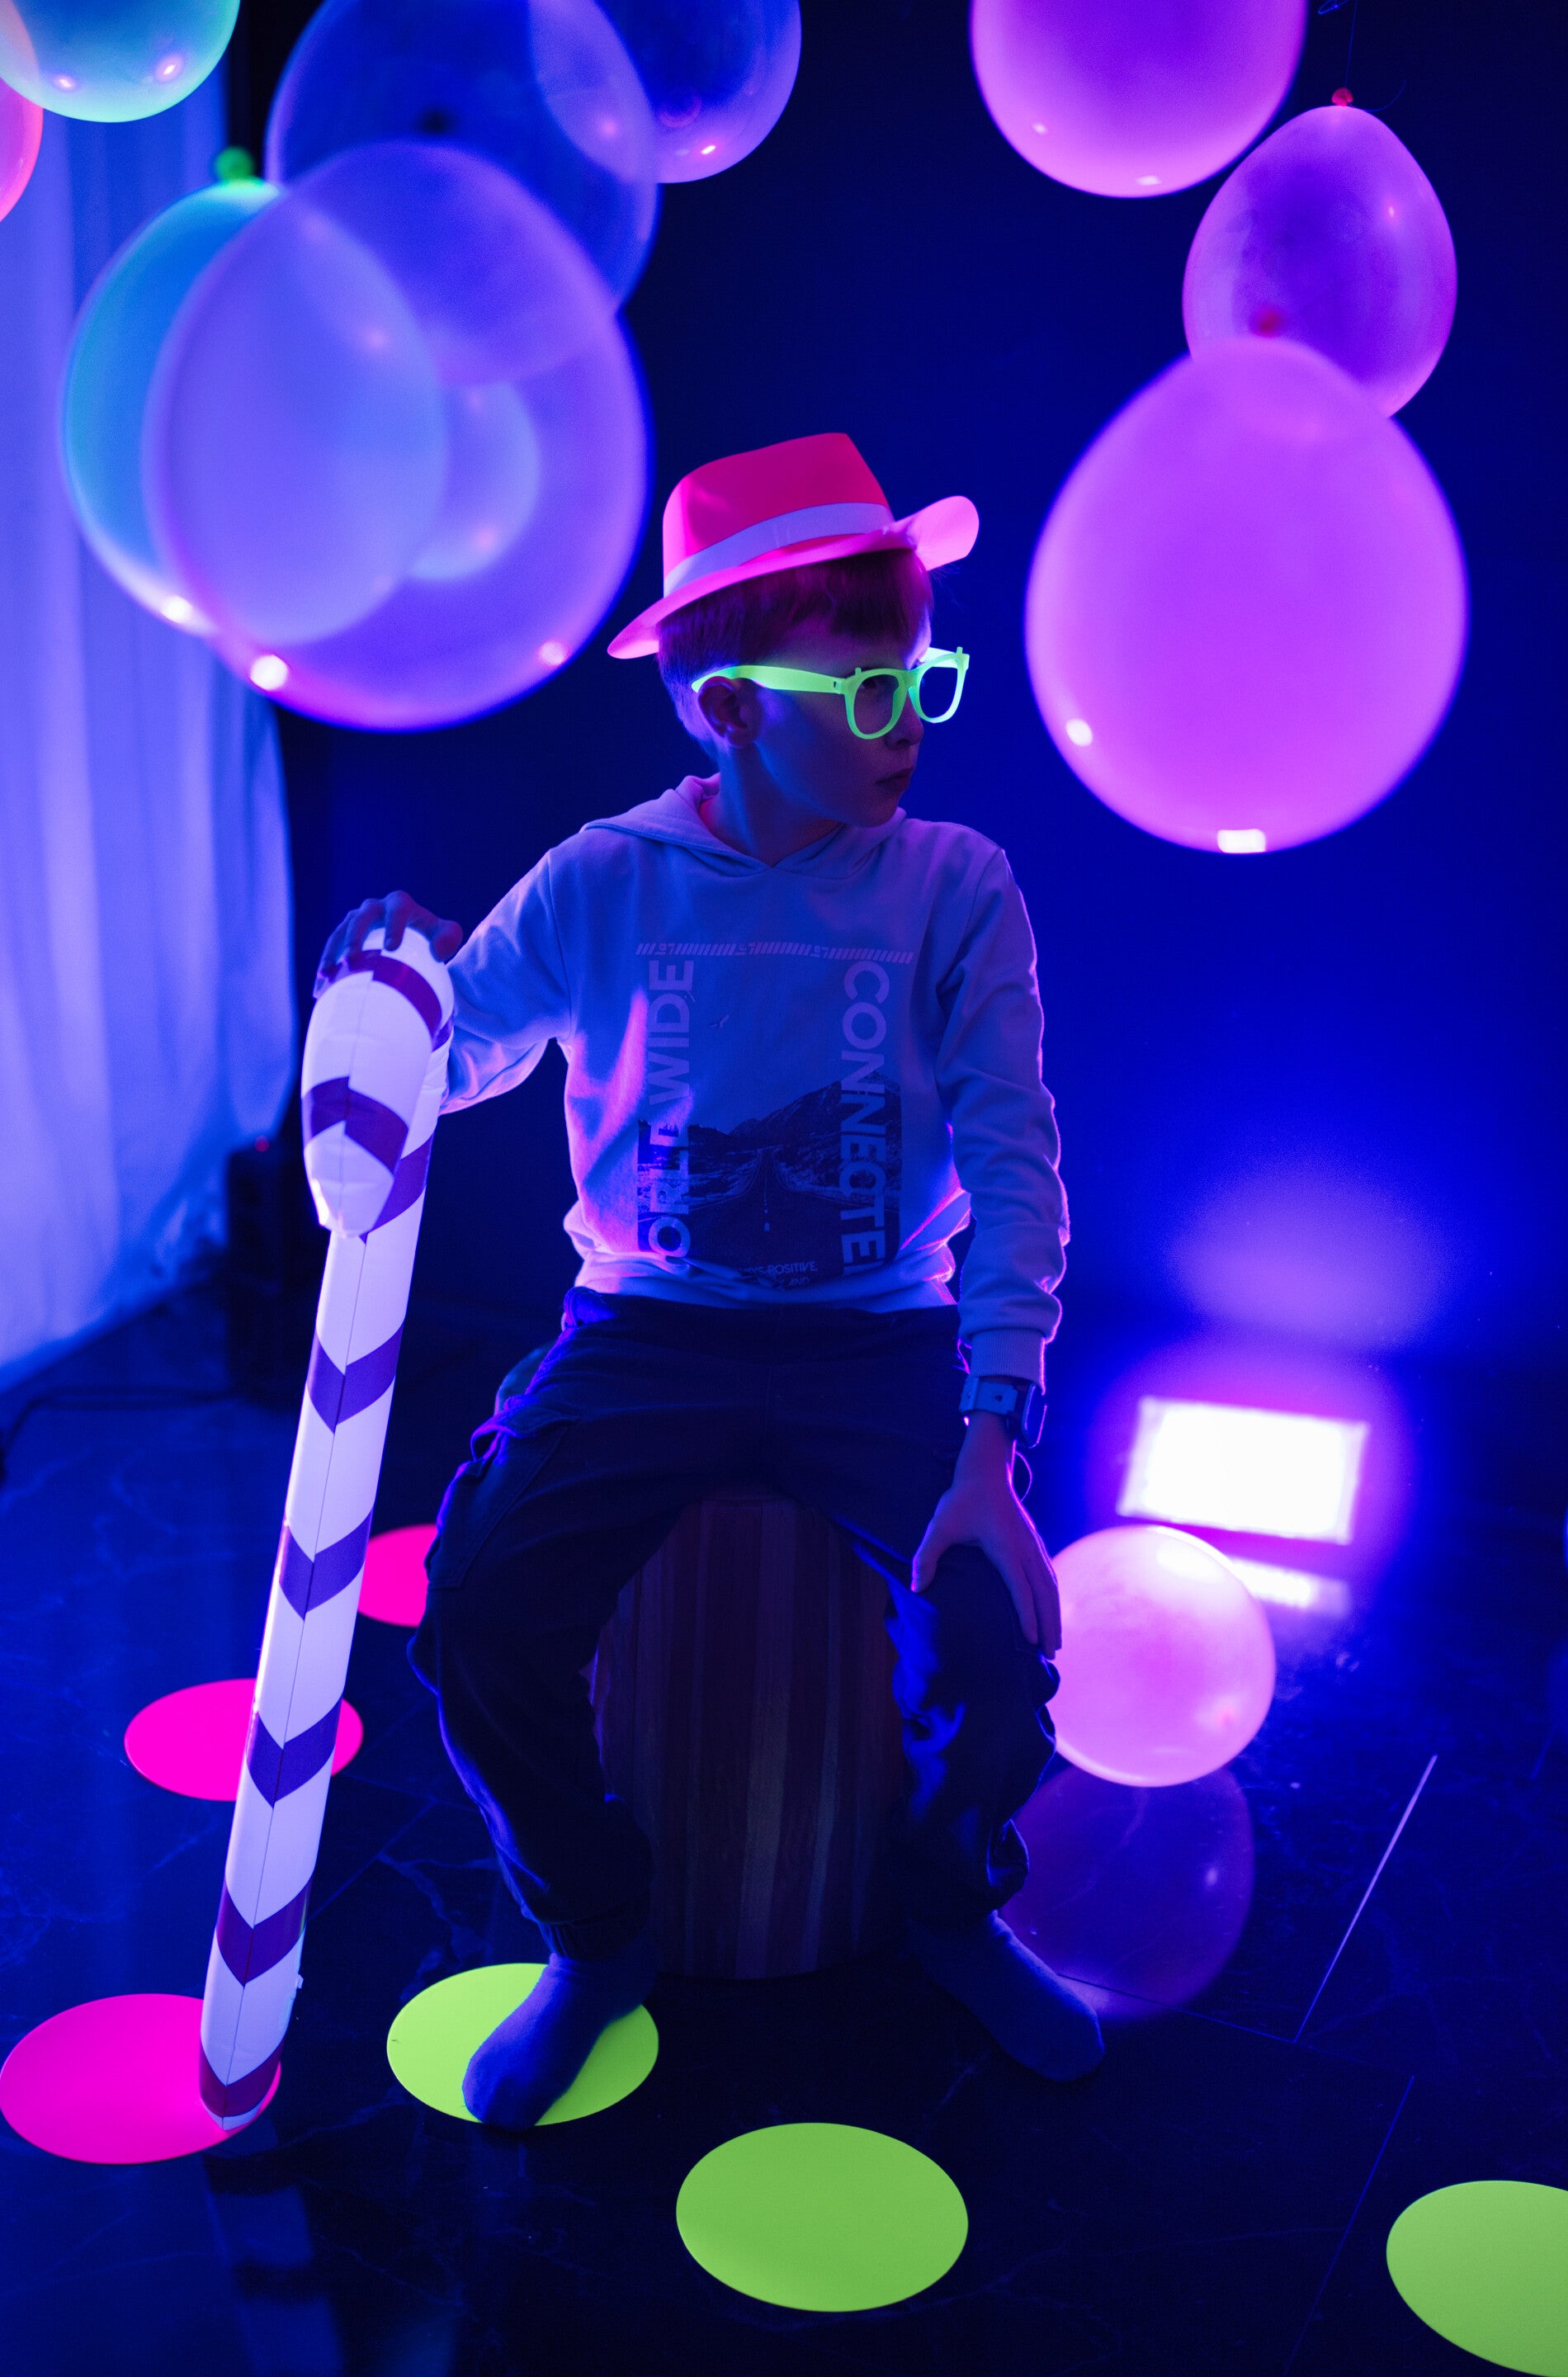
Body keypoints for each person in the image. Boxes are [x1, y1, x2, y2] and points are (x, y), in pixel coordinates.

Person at [319, 432, 1104, 2129]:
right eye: (865, 689)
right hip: (644, 1336)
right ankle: (597, 1934)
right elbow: (456, 1057)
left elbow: (1017, 1158)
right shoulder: (607, 880)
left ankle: (948, 1905)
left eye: (921, 680)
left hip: (879, 1342)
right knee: (478, 1613)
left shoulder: (956, 888)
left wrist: (989, 1449)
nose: (906, 723)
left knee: (995, 1647)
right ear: (729, 706)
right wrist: (391, 999)